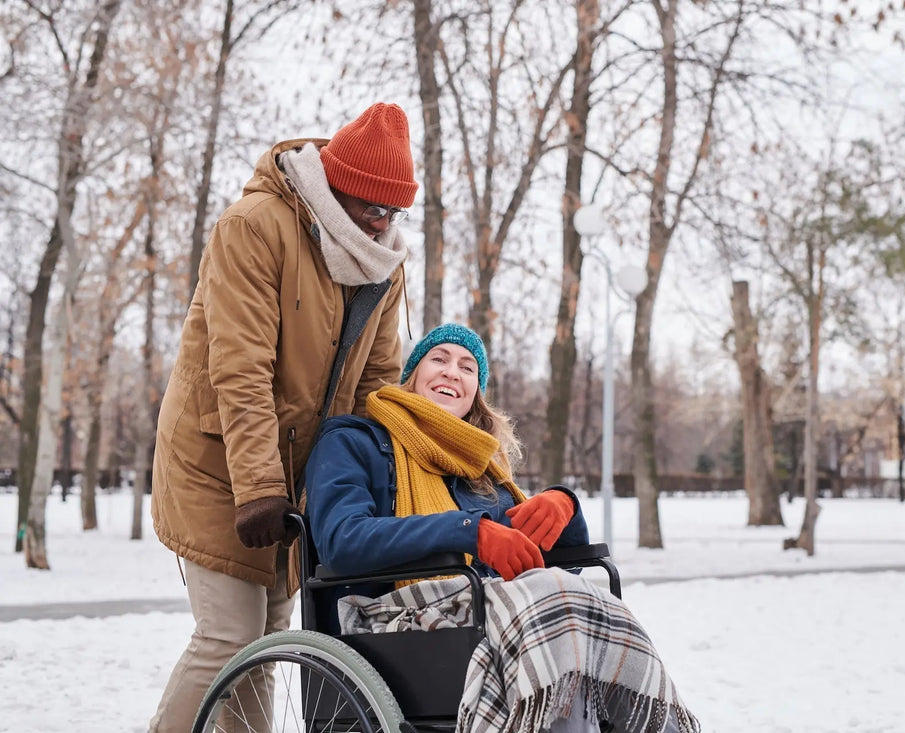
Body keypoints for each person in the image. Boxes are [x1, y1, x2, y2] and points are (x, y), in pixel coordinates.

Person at [148, 102, 419, 733]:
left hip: (294, 475)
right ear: (334, 184)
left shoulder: (381, 264)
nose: (380, 224)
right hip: (218, 466)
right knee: (228, 638)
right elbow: (238, 370)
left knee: (268, 640)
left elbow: (376, 386)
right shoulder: (254, 227)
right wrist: (260, 488)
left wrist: (378, 481)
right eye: (369, 206)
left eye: (392, 211)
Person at [305, 324, 699, 733]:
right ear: (413, 374)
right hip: (391, 621)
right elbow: (342, 540)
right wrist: (467, 531)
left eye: (467, 368)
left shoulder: (484, 472)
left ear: (475, 391)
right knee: (559, 619)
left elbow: (539, 567)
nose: (452, 372)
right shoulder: (355, 442)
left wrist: (564, 506)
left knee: (583, 608)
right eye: (438, 359)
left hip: (487, 618)